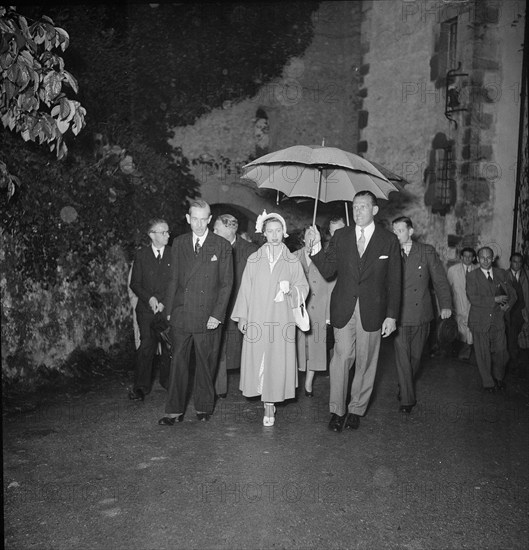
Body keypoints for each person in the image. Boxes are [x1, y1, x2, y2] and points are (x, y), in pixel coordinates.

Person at [307, 190, 401, 433]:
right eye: (355, 206)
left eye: (363, 207)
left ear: (375, 210)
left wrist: (391, 315)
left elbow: (394, 281)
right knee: (341, 358)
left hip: (373, 310)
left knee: (366, 361)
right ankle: (337, 410)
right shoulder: (341, 236)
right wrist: (316, 246)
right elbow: (328, 271)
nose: (358, 211)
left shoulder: (388, 240)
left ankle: (356, 409)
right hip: (343, 307)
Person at [158, 200, 233, 425]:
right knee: (177, 364)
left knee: (205, 364)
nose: (199, 224)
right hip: (181, 314)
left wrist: (217, 316)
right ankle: (173, 411)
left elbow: (226, 284)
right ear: (188, 219)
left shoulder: (221, 246)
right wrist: (169, 311)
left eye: (204, 219)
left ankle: (203, 406)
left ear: (210, 220)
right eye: (195, 219)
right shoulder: (179, 243)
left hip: (208, 316)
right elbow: (174, 280)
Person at [231, 211, 308, 427]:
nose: (274, 235)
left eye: (278, 231)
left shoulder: (292, 261)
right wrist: (243, 317)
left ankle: (270, 403)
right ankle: (266, 401)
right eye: (270, 231)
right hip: (257, 317)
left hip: (281, 319)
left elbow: (303, 287)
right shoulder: (254, 259)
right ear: (263, 234)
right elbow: (245, 289)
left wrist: (291, 290)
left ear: (284, 233)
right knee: (260, 359)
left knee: (276, 360)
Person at [392, 216, 452, 413]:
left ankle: (405, 382)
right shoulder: (390, 252)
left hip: (421, 314)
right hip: (398, 315)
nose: (396, 234)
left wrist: (445, 305)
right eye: (394, 231)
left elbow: (440, 281)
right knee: (402, 356)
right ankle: (407, 400)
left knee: (416, 357)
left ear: (410, 231)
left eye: (400, 230)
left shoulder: (426, 251)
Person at [212, 214, 258, 398]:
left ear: (230, 230)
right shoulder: (211, 248)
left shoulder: (250, 251)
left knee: (246, 349)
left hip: (243, 306)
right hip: (218, 306)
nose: (212, 232)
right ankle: (219, 389)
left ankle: (251, 386)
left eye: (216, 230)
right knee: (218, 347)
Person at [128, 219, 172, 401]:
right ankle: (140, 387)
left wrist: (163, 302)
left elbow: (176, 282)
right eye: (163, 232)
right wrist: (150, 299)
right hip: (146, 310)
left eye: (168, 232)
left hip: (167, 308)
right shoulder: (141, 255)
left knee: (170, 347)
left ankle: (169, 382)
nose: (167, 235)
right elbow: (135, 284)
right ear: (152, 235)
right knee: (146, 346)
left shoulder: (174, 254)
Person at [466, 246, 516, 392]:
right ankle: (489, 383)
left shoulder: (502, 273)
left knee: (502, 352)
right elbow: (473, 298)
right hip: (479, 320)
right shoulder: (472, 276)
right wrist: (494, 299)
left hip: (498, 320)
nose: (486, 260)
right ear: (477, 259)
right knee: (483, 354)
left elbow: (513, 294)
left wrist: (508, 306)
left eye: (489, 257)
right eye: (482, 257)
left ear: (493, 259)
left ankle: (499, 377)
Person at [293, 226, 333, 397]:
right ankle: (295, 380)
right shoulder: (293, 257)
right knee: (297, 347)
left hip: (319, 309)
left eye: (315, 233)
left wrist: (329, 315)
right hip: (299, 309)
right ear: (303, 238)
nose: (312, 236)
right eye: (309, 233)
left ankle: (309, 383)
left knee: (315, 348)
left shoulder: (325, 257)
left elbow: (331, 285)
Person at [447, 247, 477, 360]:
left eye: (470, 256)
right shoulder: (453, 270)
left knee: (470, 333)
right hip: (457, 306)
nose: (467, 258)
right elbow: (447, 290)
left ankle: (465, 354)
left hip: (472, 308)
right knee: (457, 332)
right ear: (461, 257)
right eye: (465, 256)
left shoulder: (477, 270)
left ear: (474, 258)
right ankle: (456, 354)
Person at [504, 253, 529, 376]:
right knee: (511, 338)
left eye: (519, 262)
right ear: (510, 262)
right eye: (514, 261)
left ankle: (518, 362)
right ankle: (513, 363)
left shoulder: (526, 276)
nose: (517, 264)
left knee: (522, 338)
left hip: (523, 312)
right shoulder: (504, 275)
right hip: (510, 312)